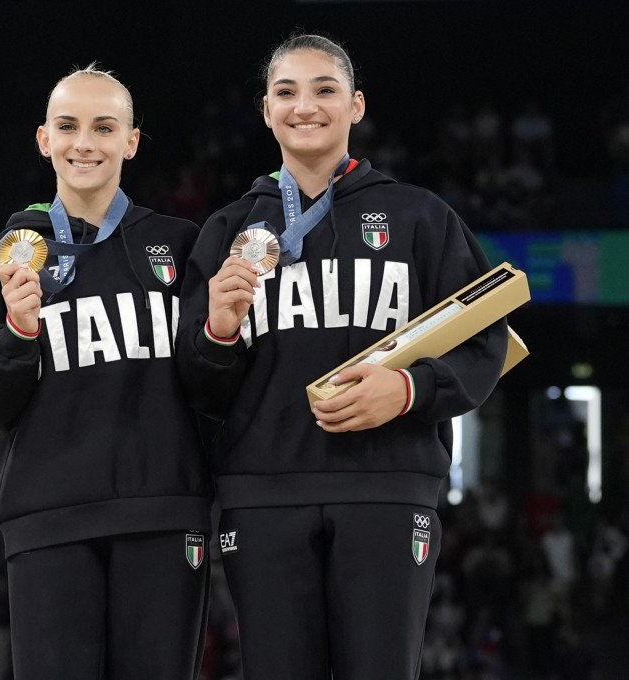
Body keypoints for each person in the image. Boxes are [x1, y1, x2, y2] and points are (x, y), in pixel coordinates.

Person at [175, 34, 508, 679]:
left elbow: (483, 338)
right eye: (286, 92)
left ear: (356, 105)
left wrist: (409, 390)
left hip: (388, 489)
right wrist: (217, 331)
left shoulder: (420, 217)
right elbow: (195, 388)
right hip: (263, 497)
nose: (306, 106)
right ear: (266, 110)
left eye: (324, 89)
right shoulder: (225, 232)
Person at [0, 65, 211, 680]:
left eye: (103, 127)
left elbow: (209, 379)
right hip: (48, 521)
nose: (84, 143)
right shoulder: (3, 255)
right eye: (68, 126)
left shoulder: (181, 245)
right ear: (44, 139)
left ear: (131, 142)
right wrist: (17, 332)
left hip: (164, 517)